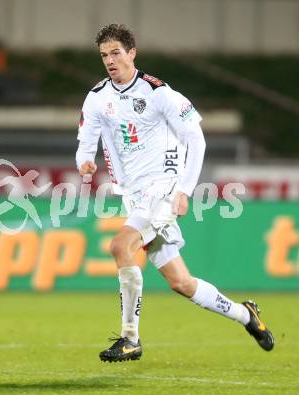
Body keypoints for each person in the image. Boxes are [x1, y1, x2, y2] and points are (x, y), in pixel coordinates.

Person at [75, 24, 274, 363]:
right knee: (181, 282)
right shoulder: (97, 97)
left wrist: (184, 189)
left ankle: (129, 339)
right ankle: (246, 315)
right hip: (135, 195)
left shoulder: (159, 93)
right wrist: (84, 163)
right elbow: (86, 140)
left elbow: (197, 139)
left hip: (163, 189)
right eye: (104, 55)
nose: (109, 60)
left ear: (131, 53)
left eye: (116, 53)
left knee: (120, 245)